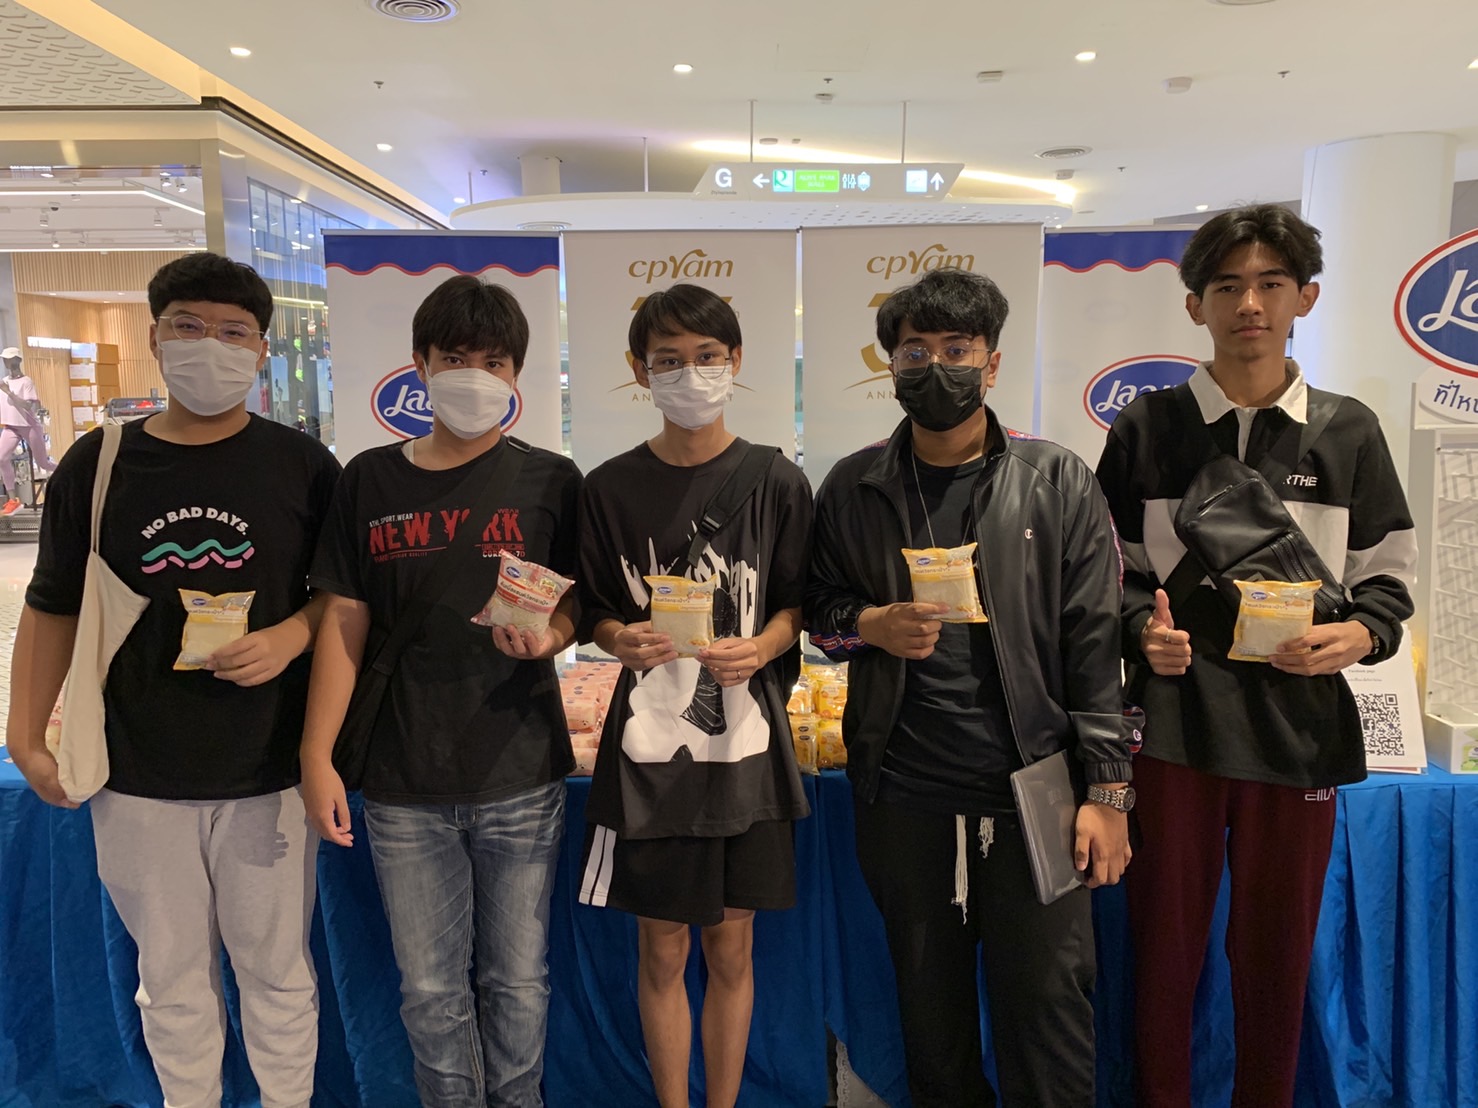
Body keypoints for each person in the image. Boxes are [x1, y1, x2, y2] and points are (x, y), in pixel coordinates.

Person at [1094, 204, 1417, 1108]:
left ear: (1304, 297)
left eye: (1272, 283)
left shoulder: (1348, 431)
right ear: (1193, 304)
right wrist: (1140, 630)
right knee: (1163, 954)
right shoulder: (1146, 427)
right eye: (1228, 285)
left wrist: (1358, 635)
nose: (1250, 304)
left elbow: (1388, 577)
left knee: (1277, 957)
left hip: (1298, 728)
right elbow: (1101, 574)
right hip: (1174, 728)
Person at [8, 253, 341, 1108]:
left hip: (268, 768)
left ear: (261, 351)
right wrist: (24, 733)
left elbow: (341, 601)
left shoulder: (304, 465)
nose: (210, 346)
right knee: (171, 979)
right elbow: (53, 606)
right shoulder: (99, 463)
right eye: (188, 326)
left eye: (234, 332)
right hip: (137, 770)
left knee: (277, 972)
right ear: (155, 337)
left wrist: (290, 637)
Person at [804, 266, 1134, 1107]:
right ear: (891, 365)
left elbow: (1096, 643)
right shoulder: (854, 486)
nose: (937, 367)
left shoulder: (1055, 479)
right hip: (904, 796)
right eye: (916, 351)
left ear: (991, 363)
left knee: (1048, 1016)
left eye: (957, 349)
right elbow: (821, 617)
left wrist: (1109, 792)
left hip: (1035, 792)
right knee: (931, 1026)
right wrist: (869, 625)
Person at [300, 275, 580, 1108]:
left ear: (517, 375)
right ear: (419, 364)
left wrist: (553, 637)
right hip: (402, 779)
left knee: (519, 981)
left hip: (520, 768)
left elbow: (581, 602)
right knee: (428, 989)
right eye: (455, 358)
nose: (474, 376)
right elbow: (343, 619)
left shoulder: (552, 480)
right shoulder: (368, 480)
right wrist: (317, 755)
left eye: (494, 362)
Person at [575, 284, 812, 1108]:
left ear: (735, 361)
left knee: (733, 949)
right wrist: (618, 638)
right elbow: (592, 609)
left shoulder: (776, 480)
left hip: (745, 748)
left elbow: (798, 603)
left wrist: (764, 646)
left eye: (707, 356)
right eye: (668, 360)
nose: (690, 373)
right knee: (662, 950)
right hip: (651, 754)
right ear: (640, 370)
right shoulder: (608, 488)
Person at [0, 345, 56, 514]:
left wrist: (9, 392)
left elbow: (27, 405)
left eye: (9, 359)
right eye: (4, 359)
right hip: (11, 426)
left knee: (43, 462)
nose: (6, 362)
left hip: (29, 426)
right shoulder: (4, 381)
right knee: (1, 458)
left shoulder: (26, 382)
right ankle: (12, 500)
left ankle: (67, 469)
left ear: (17, 360)